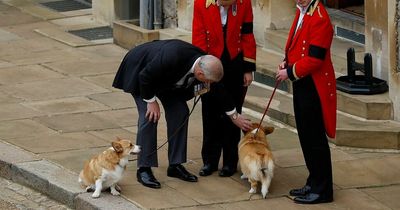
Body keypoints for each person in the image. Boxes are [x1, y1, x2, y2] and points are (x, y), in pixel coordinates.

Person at [112, 39, 224, 189]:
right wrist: (151, 101)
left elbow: (218, 89)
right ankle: (144, 168)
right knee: (149, 116)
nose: (210, 84)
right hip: (140, 70)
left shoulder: (205, 61)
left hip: (165, 80)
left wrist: (234, 114)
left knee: (180, 111)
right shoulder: (173, 56)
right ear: (199, 73)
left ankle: (175, 165)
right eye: (208, 81)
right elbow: (145, 77)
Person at [275, 0, 336, 204]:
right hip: (303, 82)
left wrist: (289, 72)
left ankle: (323, 189)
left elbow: (315, 58)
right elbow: (296, 46)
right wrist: (287, 61)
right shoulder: (303, 12)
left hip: (314, 85)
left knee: (315, 138)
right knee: (305, 135)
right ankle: (313, 181)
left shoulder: (320, 18)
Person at [192, 0, 256, 177]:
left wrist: (248, 69)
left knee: (233, 111)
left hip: (235, 63)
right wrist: (204, 70)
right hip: (210, 62)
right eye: (224, 5)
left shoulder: (244, 3)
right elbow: (198, 37)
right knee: (210, 112)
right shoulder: (200, 4)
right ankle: (209, 161)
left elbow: (248, 35)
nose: (227, 8)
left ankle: (230, 162)